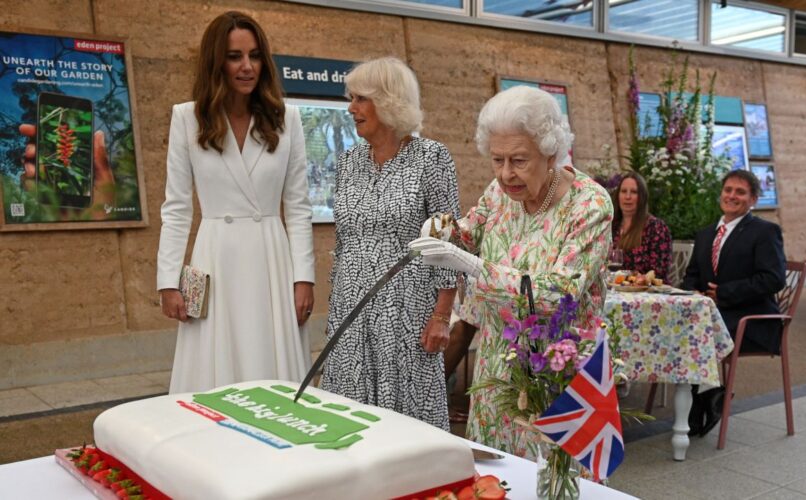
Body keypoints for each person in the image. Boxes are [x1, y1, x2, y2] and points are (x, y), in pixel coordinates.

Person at [410, 86, 613, 458]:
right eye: (497, 160)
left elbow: (559, 292)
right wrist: (440, 229)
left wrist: (471, 266)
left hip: (558, 368)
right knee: (497, 474)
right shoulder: (500, 191)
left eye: (519, 160)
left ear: (550, 152)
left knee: (553, 480)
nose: (506, 174)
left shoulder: (590, 204)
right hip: (497, 363)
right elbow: (470, 231)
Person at [157, 11, 315, 393]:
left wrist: (303, 277)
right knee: (213, 372)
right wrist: (168, 281)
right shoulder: (187, 118)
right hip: (214, 257)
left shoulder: (286, 118)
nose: (247, 66)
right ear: (216, 62)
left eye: (255, 55)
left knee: (273, 365)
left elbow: (297, 206)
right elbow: (177, 208)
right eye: (234, 56)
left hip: (271, 258)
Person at [320, 57, 460, 431]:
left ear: (389, 100)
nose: (352, 108)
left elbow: (446, 240)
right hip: (351, 308)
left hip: (407, 311)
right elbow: (344, 238)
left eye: (361, 99)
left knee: (406, 422)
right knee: (350, 418)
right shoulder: (349, 162)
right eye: (352, 99)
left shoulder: (432, 157)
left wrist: (442, 315)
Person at [682, 169, 786, 435]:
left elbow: (773, 279)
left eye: (740, 192)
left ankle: (699, 403)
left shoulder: (765, 231)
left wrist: (725, 292)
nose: (732, 196)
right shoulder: (706, 234)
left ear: (753, 200)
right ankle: (707, 395)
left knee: (696, 334)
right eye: (728, 190)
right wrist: (695, 293)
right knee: (679, 328)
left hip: (751, 321)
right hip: (712, 318)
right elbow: (691, 276)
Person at [611, 171, 672, 282]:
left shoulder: (656, 228)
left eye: (634, 192)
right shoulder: (612, 227)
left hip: (647, 294)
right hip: (615, 290)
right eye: (624, 191)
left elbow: (658, 272)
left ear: (642, 197)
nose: (627, 196)